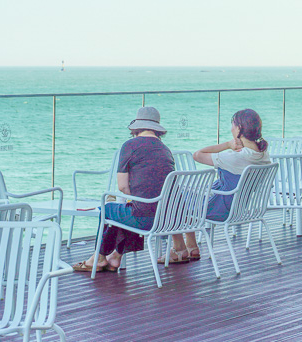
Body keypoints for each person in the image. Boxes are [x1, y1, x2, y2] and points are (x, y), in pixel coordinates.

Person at [73, 106, 175, 273]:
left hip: (146, 220)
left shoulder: (129, 146)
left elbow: (122, 186)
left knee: (109, 209)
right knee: (129, 209)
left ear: (137, 127)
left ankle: (98, 258)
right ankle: (115, 257)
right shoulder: (166, 150)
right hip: (166, 218)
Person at [162, 109, 271, 264]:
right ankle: (191, 246)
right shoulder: (263, 153)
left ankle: (180, 249)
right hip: (241, 207)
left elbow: (197, 154)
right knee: (183, 197)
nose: (231, 129)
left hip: (223, 209)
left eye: (232, 125)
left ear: (239, 129)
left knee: (174, 197)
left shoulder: (234, 157)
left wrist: (227, 144)